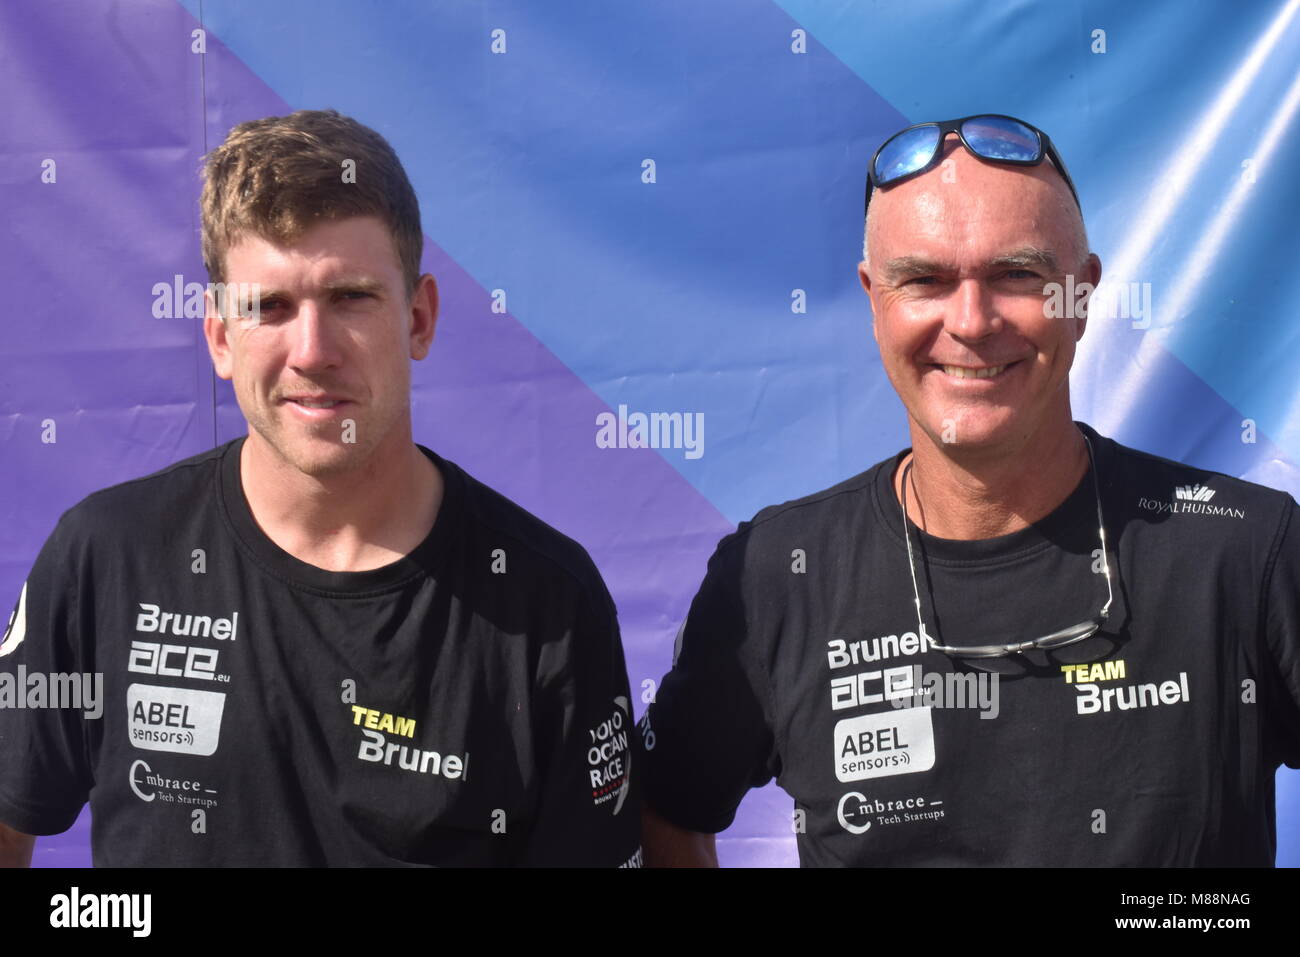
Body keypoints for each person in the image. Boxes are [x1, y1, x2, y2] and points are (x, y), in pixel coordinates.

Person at [635, 114, 1300, 866]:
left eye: (1017, 274)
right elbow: (666, 807)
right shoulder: (775, 575)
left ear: (1081, 296)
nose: (973, 321)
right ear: (874, 301)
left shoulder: (1247, 549)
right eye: (925, 280)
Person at [0, 109, 640, 867]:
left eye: (350, 298)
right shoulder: (104, 558)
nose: (312, 351)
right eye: (269, 306)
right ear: (218, 338)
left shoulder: (549, 603)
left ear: (420, 318)